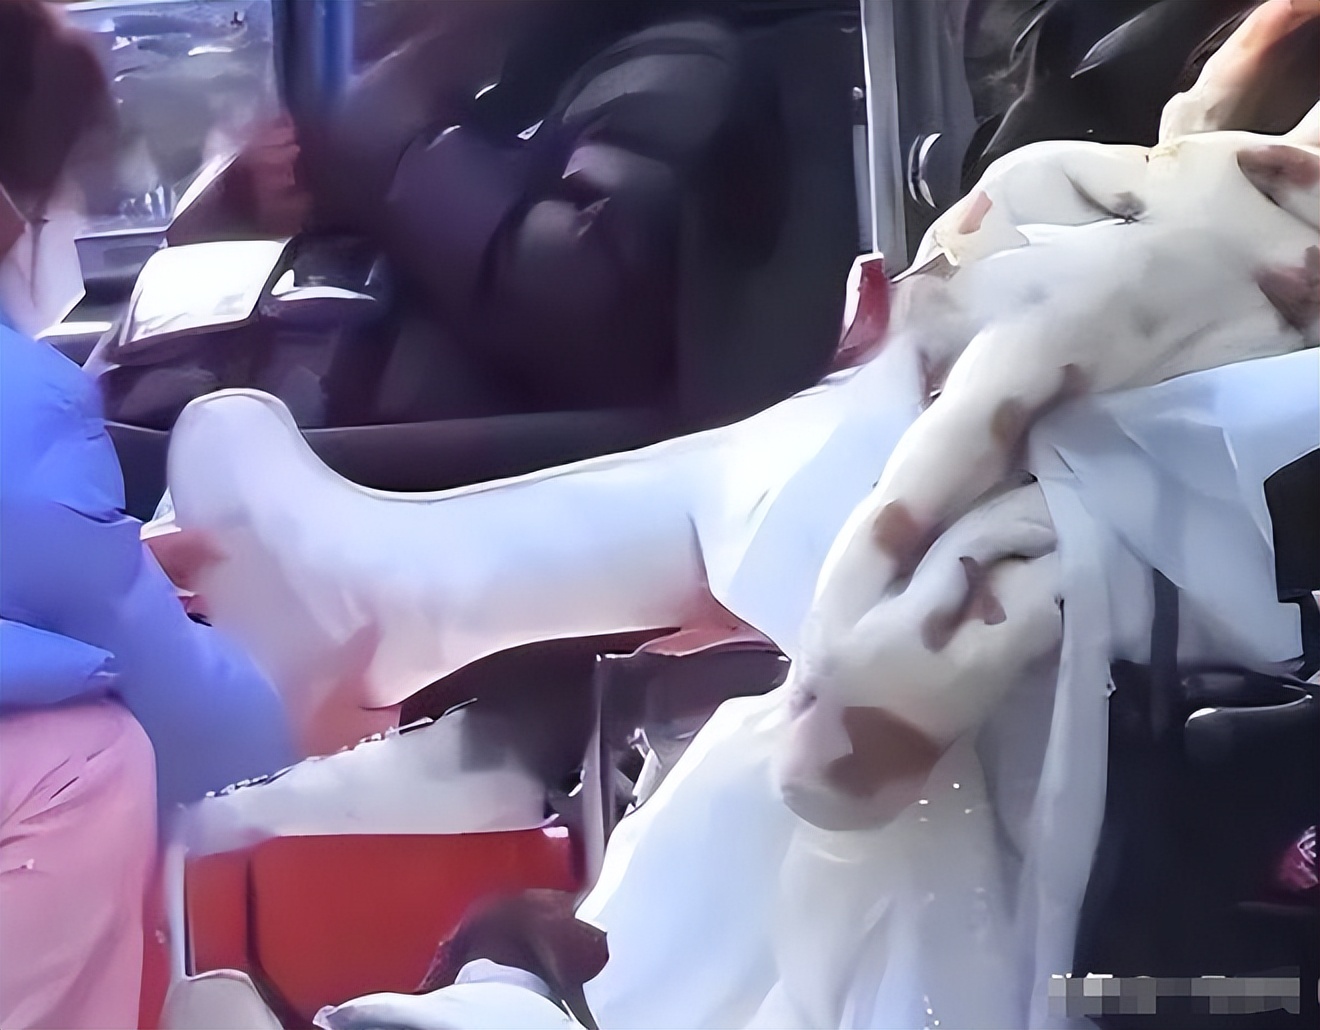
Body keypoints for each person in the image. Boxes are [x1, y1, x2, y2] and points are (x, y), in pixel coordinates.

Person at [0, 3, 294, 1027]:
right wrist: (309, 735)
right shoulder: (26, 407)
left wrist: (107, 562)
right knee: (87, 759)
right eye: (53, 195)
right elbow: (192, 722)